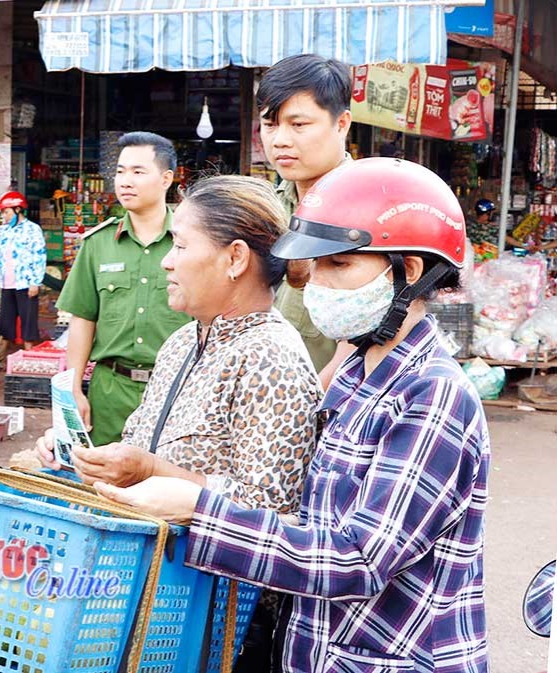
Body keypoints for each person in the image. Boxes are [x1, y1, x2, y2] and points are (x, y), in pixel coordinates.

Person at [97, 158, 490, 673]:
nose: (316, 284)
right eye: (316, 265)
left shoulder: (433, 395)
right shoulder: (355, 378)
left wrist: (199, 506)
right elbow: (310, 523)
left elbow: (358, 561)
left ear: (409, 272)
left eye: (339, 265)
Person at [36, 175, 321, 670]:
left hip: (219, 627)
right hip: (149, 600)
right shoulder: (182, 342)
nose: (167, 260)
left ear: (235, 259)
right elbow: (139, 445)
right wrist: (83, 456)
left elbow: (271, 517)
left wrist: (152, 471)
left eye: (181, 245)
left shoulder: (271, 356)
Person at [55, 132, 191, 446]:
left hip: (176, 389)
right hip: (110, 391)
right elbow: (83, 320)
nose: (125, 181)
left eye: (138, 172)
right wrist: (74, 389)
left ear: (166, 178)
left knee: (165, 483)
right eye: (120, 171)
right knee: (103, 485)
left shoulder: (192, 244)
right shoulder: (97, 244)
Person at [259, 54, 354, 378]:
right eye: (270, 124)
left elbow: (362, 339)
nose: (280, 140)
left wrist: (309, 406)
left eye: (298, 125)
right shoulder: (267, 208)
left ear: (341, 124)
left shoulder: (366, 210)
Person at [0, 191, 46, 350]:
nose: (4, 216)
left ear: (18, 210)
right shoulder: (4, 230)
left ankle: (29, 354)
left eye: (6, 212)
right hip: (7, 283)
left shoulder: (33, 229)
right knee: (6, 320)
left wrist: (35, 282)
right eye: (3, 212)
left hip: (26, 283)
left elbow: (39, 257)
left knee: (28, 321)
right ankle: (2, 356)